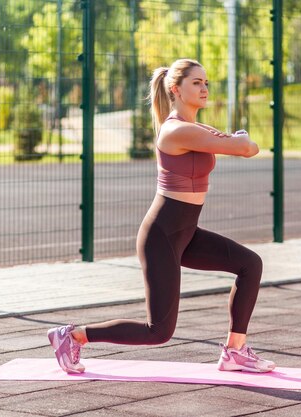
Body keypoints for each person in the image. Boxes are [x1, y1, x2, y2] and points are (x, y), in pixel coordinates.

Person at [47, 58, 275, 374]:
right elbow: (246, 147)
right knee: (159, 331)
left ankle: (234, 352)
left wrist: (241, 140)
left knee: (250, 264)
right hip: (162, 236)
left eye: (206, 82)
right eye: (196, 82)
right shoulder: (176, 130)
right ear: (175, 89)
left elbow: (247, 146)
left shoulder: (195, 129)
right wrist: (240, 138)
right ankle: (72, 336)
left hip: (186, 233)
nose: (205, 88)